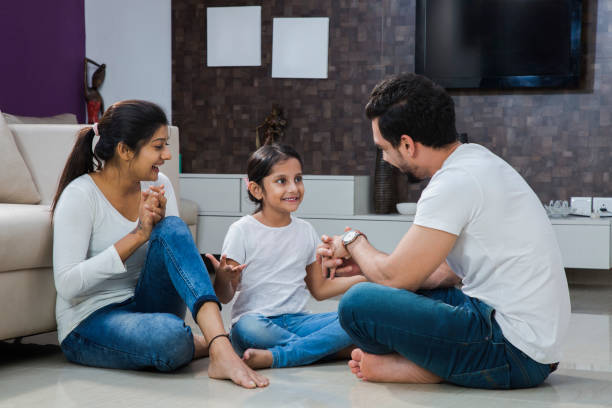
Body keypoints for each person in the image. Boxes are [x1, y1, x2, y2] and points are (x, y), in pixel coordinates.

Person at [318, 73, 571, 389]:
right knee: (396, 291)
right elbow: (442, 274)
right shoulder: (478, 161)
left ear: (408, 145)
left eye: (383, 148)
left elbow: (397, 277)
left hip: (514, 352)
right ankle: (438, 366)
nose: (384, 158)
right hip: (535, 346)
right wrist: (371, 270)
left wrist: (353, 241)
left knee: (357, 305)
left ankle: (427, 368)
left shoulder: (452, 183)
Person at [51, 100, 268, 389]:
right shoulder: (80, 196)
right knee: (172, 339)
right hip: (90, 321)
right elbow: (66, 284)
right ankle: (203, 343)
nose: (166, 155)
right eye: (158, 146)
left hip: (147, 304)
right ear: (125, 150)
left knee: (173, 227)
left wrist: (220, 282)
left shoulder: (158, 182)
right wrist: (139, 235)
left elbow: (176, 261)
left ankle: (219, 346)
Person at [206, 144, 366, 369]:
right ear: (256, 190)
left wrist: (367, 277)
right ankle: (327, 350)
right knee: (245, 330)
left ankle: (289, 353)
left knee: (360, 317)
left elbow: (319, 290)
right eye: (282, 181)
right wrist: (223, 278)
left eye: (298, 179)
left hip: (299, 321)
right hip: (256, 322)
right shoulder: (241, 230)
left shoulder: (305, 230)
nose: (294, 188)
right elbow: (223, 296)